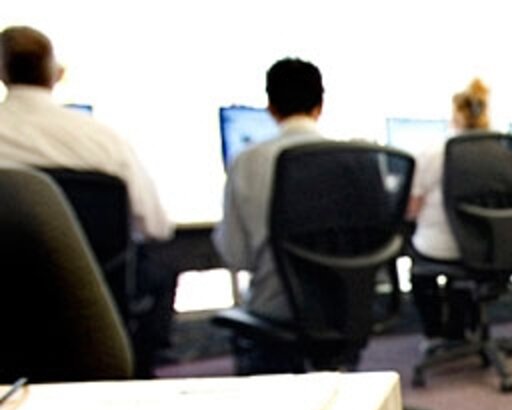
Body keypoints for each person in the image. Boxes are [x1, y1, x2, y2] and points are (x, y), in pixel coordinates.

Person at [0, 26, 176, 376]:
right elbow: (156, 227)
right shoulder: (102, 141)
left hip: (7, 318)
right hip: (98, 319)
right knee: (160, 271)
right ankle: (144, 376)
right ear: (54, 72)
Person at [213, 57, 325, 374]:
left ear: (271, 108)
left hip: (280, 307)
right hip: (348, 304)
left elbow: (237, 256)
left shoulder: (246, 161)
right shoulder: (358, 158)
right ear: (320, 105)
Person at [406, 77, 494, 354]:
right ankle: (460, 328)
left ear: (455, 116)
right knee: (463, 267)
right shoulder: (501, 154)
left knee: (418, 261)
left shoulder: (432, 153)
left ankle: (434, 332)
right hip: (487, 247)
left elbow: (411, 210)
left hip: (439, 246)